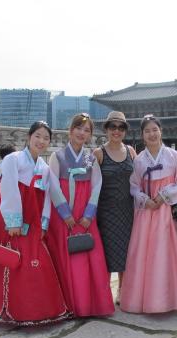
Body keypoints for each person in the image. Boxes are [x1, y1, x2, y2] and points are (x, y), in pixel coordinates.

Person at [0, 121, 71, 325]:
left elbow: (48, 196)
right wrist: (13, 221)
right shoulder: (13, 159)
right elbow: (9, 189)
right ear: (29, 137)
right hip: (10, 216)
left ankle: (30, 309)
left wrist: (45, 222)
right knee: (6, 255)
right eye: (37, 136)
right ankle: (1, 306)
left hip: (33, 217)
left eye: (46, 138)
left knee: (32, 258)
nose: (41, 141)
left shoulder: (44, 168)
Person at [120, 114, 177, 314]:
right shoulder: (139, 160)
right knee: (145, 254)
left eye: (155, 129)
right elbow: (134, 186)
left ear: (161, 131)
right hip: (147, 212)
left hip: (167, 211)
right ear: (142, 135)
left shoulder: (173, 156)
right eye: (147, 131)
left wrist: (162, 196)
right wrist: (144, 199)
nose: (152, 134)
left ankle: (170, 299)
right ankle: (144, 299)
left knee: (168, 253)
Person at [46, 113, 115, 317]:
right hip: (64, 216)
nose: (82, 133)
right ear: (71, 130)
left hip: (85, 216)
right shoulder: (57, 156)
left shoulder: (90, 158)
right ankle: (68, 304)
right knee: (66, 258)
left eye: (87, 130)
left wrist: (89, 215)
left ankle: (89, 305)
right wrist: (65, 214)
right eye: (79, 128)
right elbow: (53, 186)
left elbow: (97, 185)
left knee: (88, 258)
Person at [93, 111, 136, 305]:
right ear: (106, 129)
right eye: (113, 127)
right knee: (106, 250)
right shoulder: (97, 153)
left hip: (128, 209)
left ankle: (122, 289)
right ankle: (103, 291)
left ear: (125, 131)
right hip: (106, 210)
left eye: (121, 127)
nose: (116, 131)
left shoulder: (131, 151)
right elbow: (89, 183)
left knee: (126, 250)